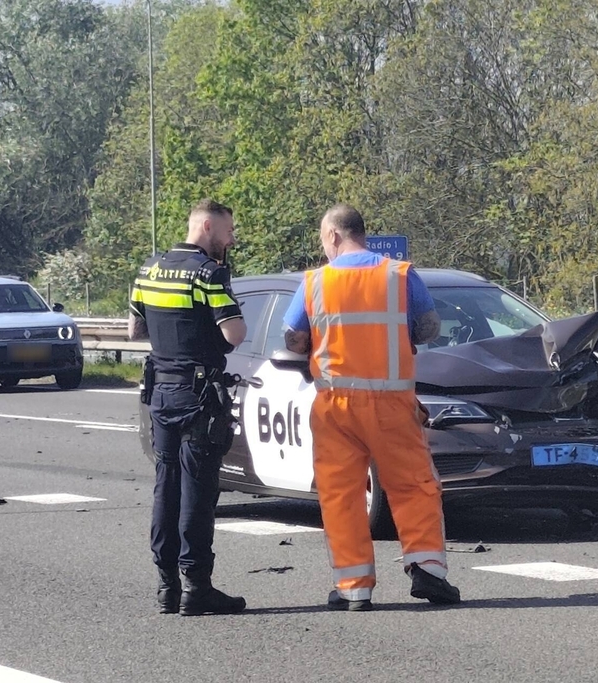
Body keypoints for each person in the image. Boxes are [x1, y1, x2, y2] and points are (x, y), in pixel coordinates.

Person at [283, 203, 461, 611]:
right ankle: (427, 570)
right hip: (392, 402)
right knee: (414, 484)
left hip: (335, 406)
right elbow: (429, 327)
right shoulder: (398, 274)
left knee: (341, 493)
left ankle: (353, 587)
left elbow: (293, 336)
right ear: (362, 233)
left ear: (332, 236)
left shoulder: (314, 282)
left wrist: (314, 345)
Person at [129, 198, 248, 616]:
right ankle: (197, 586)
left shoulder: (150, 269)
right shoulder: (209, 273)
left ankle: (166, 587)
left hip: (160, 392)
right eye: (228, 230)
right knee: (198, 490)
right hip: (199, 397)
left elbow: (135, 328)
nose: (231, 239)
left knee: (166, 484)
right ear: (207, 226)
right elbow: (234, 334)